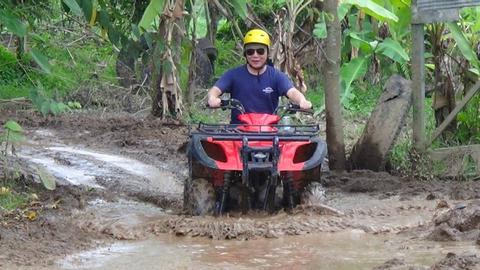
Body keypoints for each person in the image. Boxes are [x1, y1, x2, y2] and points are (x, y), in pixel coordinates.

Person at [207, 28, 312, 124]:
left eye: (260, 51)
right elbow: (215, 89)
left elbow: (292, 92)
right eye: (250, 52)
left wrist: (302, 101)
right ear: (245, 54)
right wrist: (212, 98)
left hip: (269, 133)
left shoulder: (276, 76)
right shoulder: (233, 75)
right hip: (238, 133)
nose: (255, 55)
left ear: (267, 53)